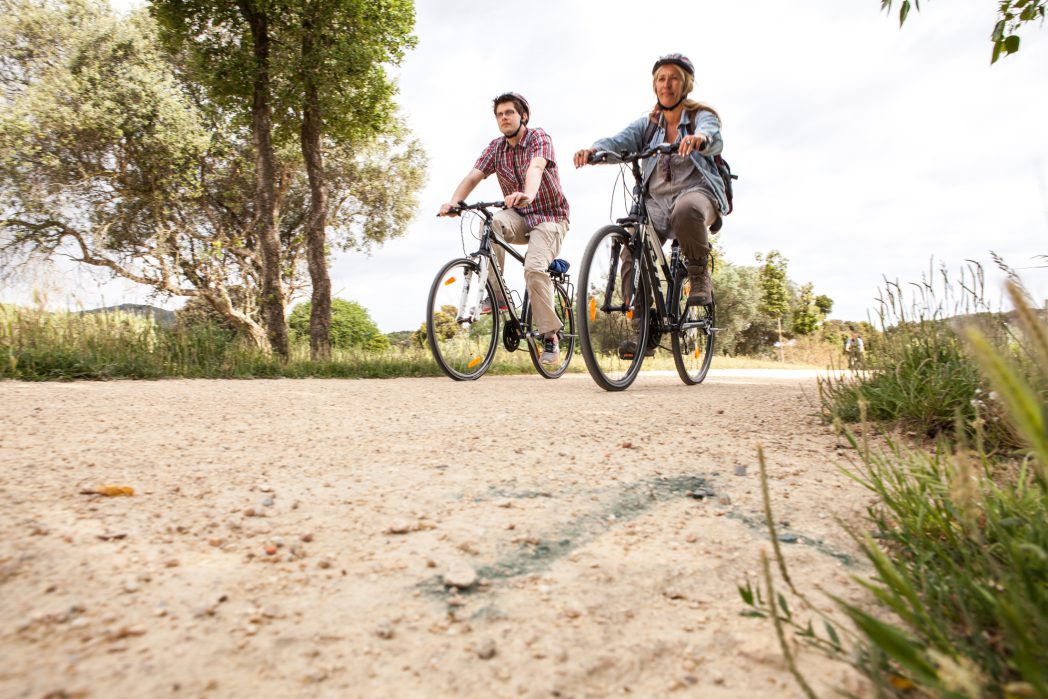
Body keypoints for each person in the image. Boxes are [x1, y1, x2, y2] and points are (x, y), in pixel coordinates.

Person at [573, 53, 728, 358]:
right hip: (655, 201)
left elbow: (714, 136)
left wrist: (699, 139)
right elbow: (621, 140)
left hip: (698, 193)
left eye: (673, 78)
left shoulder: (701, 116)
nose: (666, 84)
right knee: (632, 242)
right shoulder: (650, 124)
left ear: (685, 84)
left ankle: (698, 276)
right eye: (660, 78)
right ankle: (642, 329)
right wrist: (594, 150)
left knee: (687, 210)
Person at [439, 92, 570, 364]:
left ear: (523, 116)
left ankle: (549, 336)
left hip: (550, 217)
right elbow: (473, 176)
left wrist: (528, 194)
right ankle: (496, 298)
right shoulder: (496, 148)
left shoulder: (539, 138)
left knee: (533, 269)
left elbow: (536, 167)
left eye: (509, 112)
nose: (504, 118)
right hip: (519, 217)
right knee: (491, 222)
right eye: (499, 114)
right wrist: (454, 202)